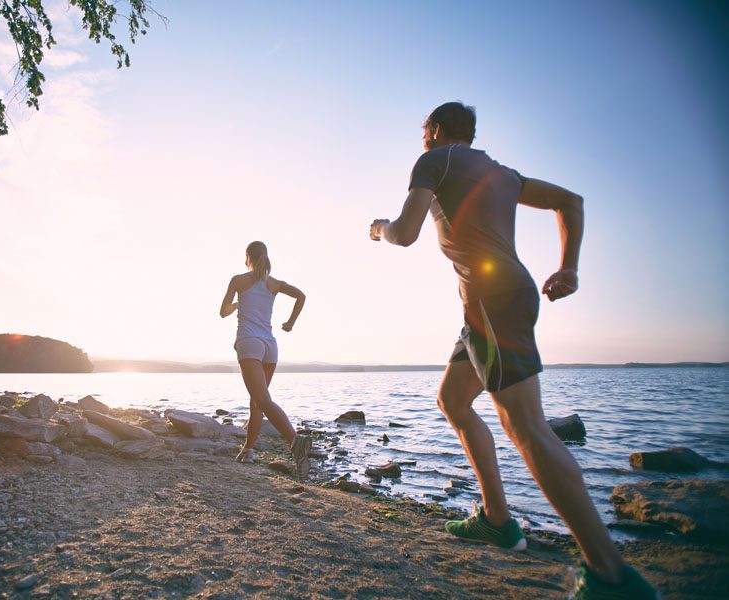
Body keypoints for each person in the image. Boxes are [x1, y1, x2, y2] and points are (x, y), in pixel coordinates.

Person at [369, 102, 657, 599]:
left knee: (525, 424)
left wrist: (379, 229)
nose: (423, 141)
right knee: (453, 401)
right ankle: (498, 520)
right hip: (490, 303)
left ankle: (612, 575)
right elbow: (571, 201)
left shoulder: (436, 160)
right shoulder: (502, 172)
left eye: (425, 133)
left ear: (435, 130)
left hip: (493, 302)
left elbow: (407, 232)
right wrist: (569, 267)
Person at [219, 241, 312, 481]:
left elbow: (223, 311)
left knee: (261, 400)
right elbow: (301, 296)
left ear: (248, 257)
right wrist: (291, 323)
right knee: (257, 402)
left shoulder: (238, 280)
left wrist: (237, 304)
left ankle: (295, 442)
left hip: (249, 342)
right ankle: (248, 449)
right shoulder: (274, 283)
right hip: (270, 346)